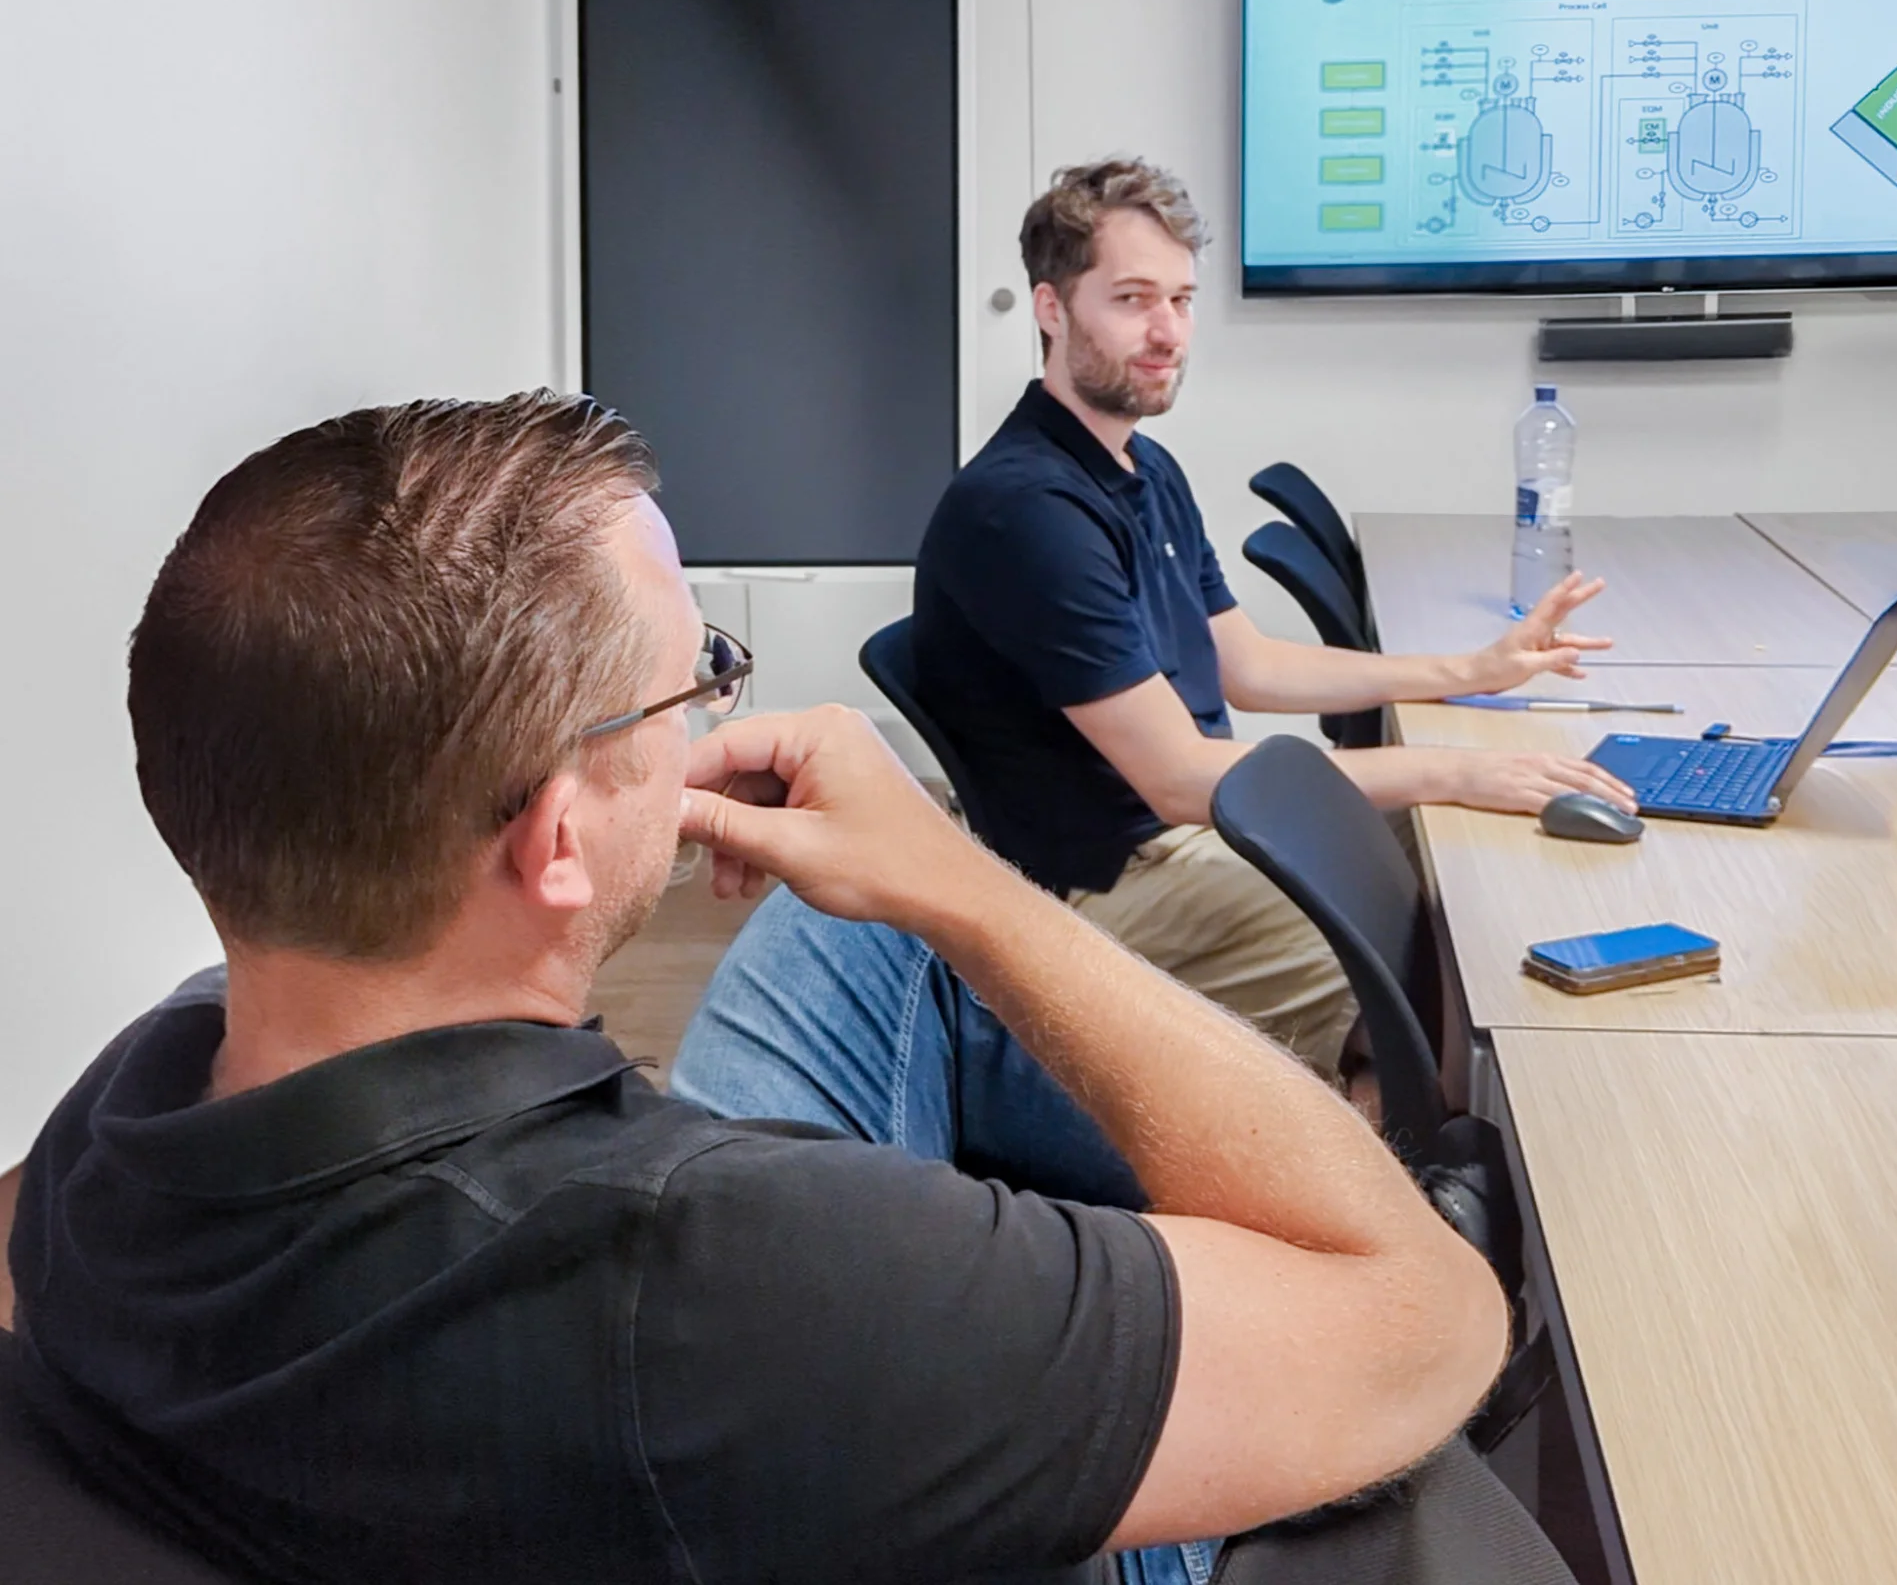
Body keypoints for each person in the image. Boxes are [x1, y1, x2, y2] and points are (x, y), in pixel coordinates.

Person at [9, 393, 1562, 1585]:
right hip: (794, 1412)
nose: (717, 714)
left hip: (617, 1380)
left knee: (854, 933)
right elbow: (1427, 1328)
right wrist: (962, 884)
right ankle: (1262, 1221)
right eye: (701, 678)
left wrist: (899, 888)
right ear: (558, 838)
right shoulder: (711, 1276)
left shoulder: (139, 1095)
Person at [913, 158, 1634, 1074]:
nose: (1167, 331)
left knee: (1454, 864)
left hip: (1182, 832)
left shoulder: (1142, 467)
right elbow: (1177, 780)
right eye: (1132, 299)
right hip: (1110, 881)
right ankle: (1411, 1168)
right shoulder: (1027, 511)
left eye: (1180, 300)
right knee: (1422, 947)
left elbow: (1245, 665)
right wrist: (1452, 768)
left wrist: (1469, 672)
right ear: (1052, 310)